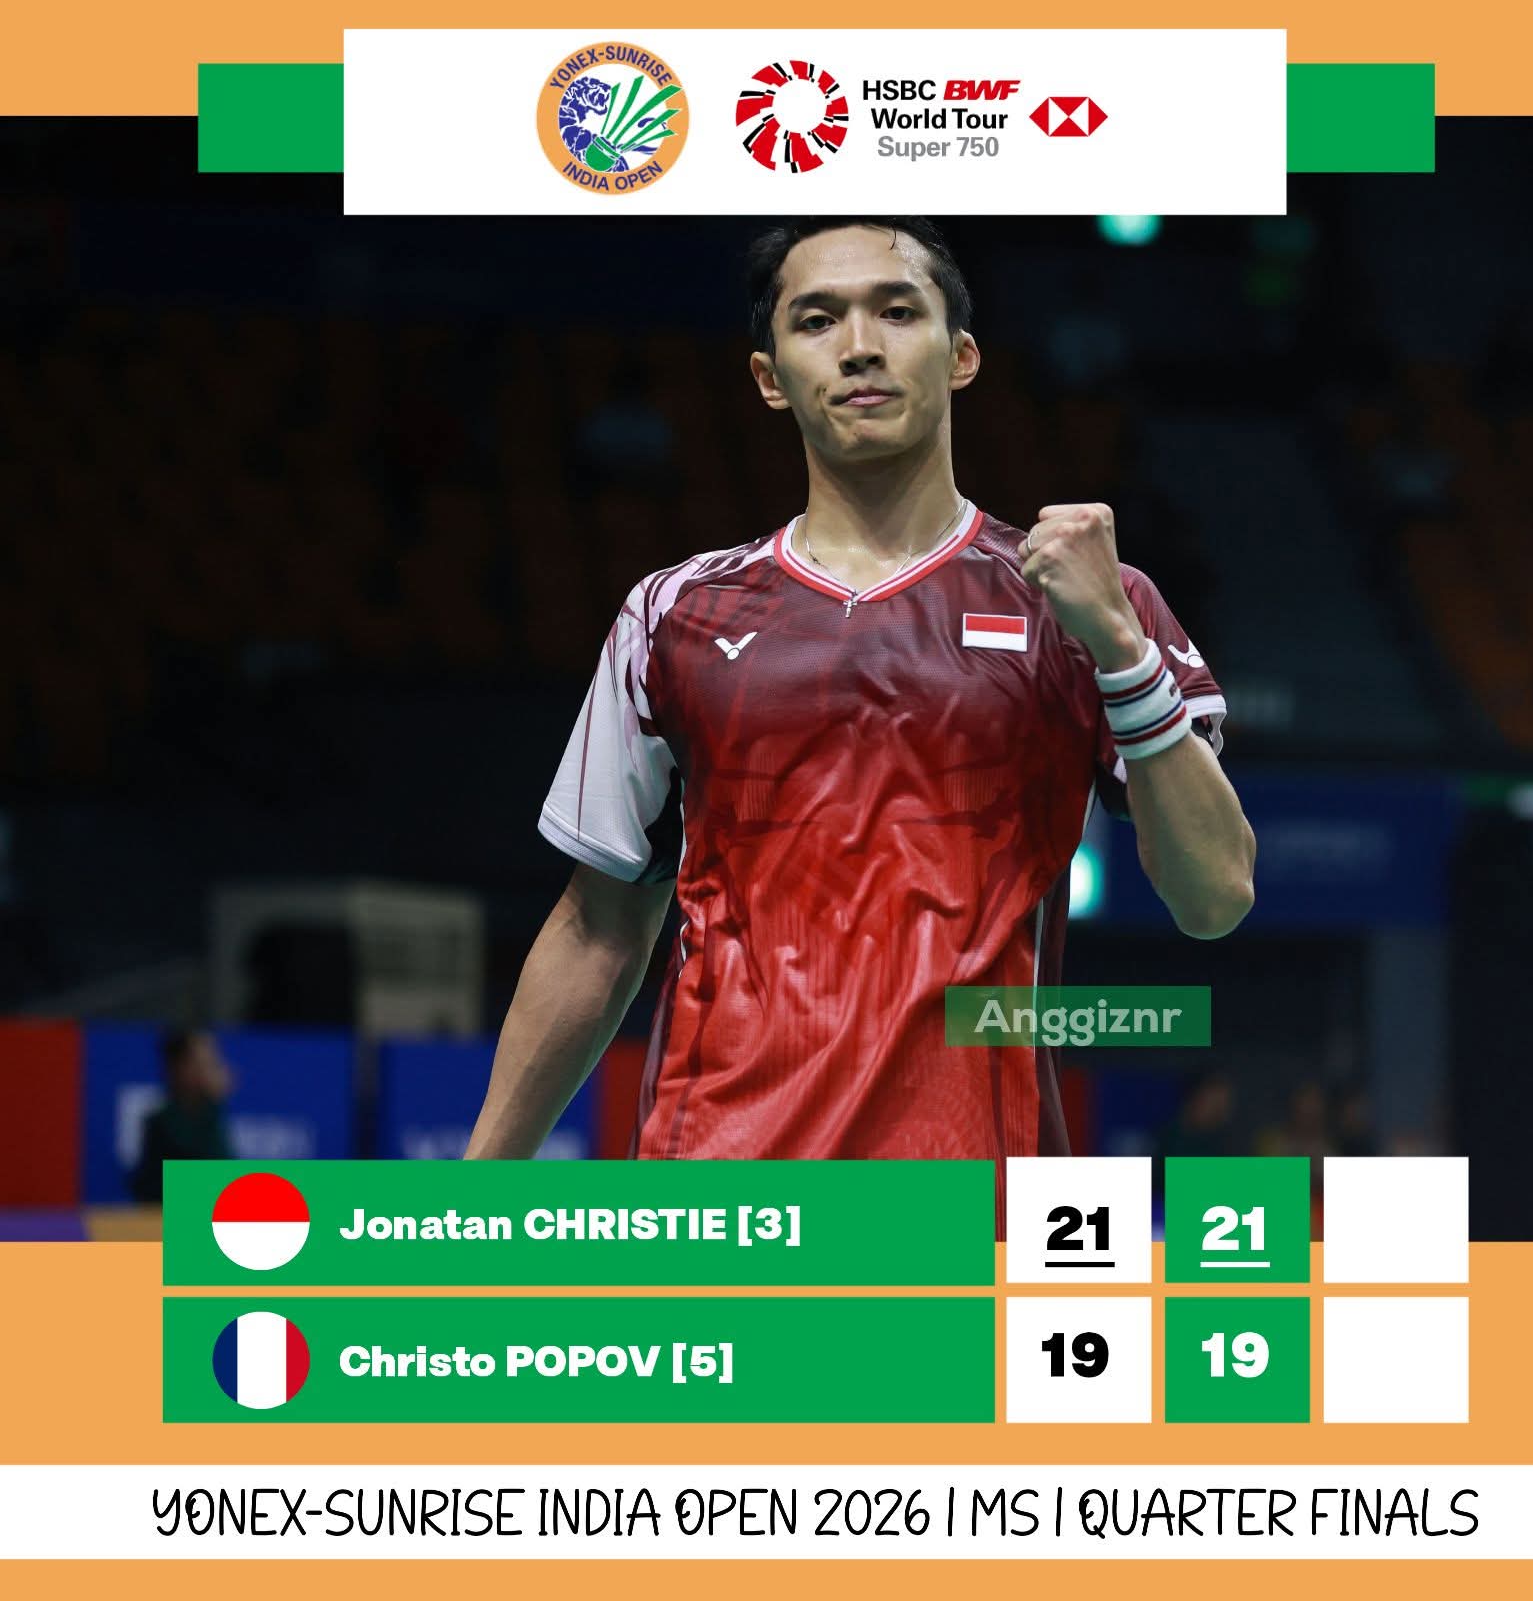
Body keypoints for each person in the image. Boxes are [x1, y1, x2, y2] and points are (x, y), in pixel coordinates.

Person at [468, 217, 1256, 1226]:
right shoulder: (675, 615)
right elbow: (597, 925)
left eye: (896, 311)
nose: (859, 346)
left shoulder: (1092, 603)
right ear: (770, 378)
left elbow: (1215, 895)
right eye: (816, 320)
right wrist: (471, 1203)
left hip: (973, 1218)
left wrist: (1119, 647)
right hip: (713, 1210)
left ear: (961, 355)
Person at [129, 1027, 234, 1203]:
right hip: (171, 1214)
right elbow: (203, 1175)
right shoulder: (163, 1122)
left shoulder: (212, 1113)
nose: (211, 1071)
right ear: (178, 1068)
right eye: (201, 1063)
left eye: (212, 1062)